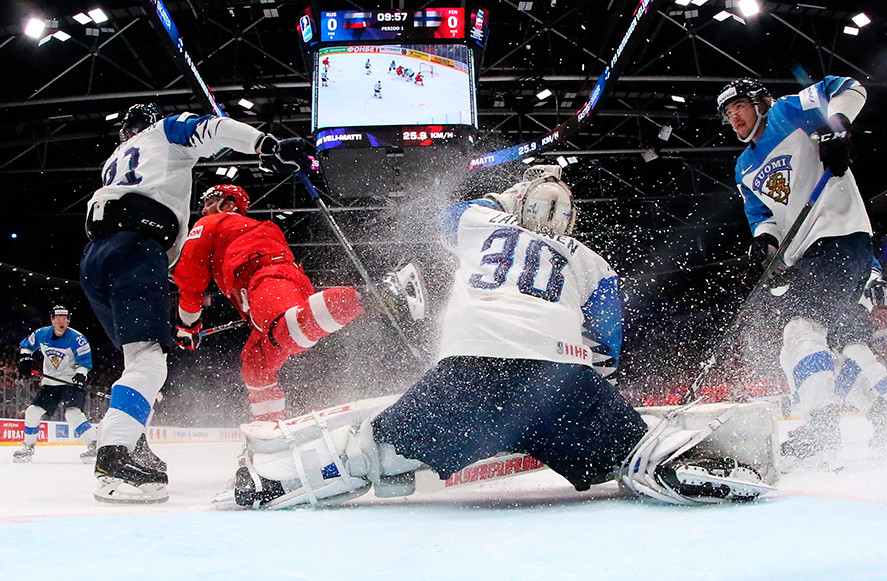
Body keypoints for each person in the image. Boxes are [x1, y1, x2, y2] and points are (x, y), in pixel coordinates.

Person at [223, 166, 772, 509]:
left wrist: (506, 200)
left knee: (377, 453)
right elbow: (607, 347)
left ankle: (274, 477)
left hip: (469, 372)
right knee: (629, 453)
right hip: (559, 379)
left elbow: (449, 214)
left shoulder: (482, 227)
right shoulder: (591, 260)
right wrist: (587, 400)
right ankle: (687, 459)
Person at [80, 103, 310, 503]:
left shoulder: (113, 160)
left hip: (94, 256)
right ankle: (114, 456)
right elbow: (212, 128)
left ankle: (128, 441)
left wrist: (188, 322)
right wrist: (266, 145)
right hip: (138, 249)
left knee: (139, 361)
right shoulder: (162, 132)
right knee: (149, 361)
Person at [717, 77, 887, 460]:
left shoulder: (787, 112)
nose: (734, 118)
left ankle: (821, 429)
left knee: (799, 332)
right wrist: (763, 243)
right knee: (839, 349)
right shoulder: (744, 167)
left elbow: (850, 87)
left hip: (837, 237)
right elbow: (763, 218)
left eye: (739, 107)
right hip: (809, 254)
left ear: (759, 103)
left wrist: (837, 130)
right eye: (728, 113)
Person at [171, 184, 364, 422]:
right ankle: (269, 428)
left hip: (265, 279)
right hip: (275, 283)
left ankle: (378, 297)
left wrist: (187, 326)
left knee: (286, 332)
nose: (203, 210)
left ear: (229, 205)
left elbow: (190, 279)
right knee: (255, 367)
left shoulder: (215, 222)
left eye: (210, 200)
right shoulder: (244, 230)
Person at [13, 305, 95, 463]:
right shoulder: (42, 334)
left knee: (72, 414)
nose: (61, 321)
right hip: (50, 383)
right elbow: (26, 346)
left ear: (68, 320)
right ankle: (28, 447)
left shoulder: (77, 338)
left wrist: (80, 375)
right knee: (32, 412)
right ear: (52, 319)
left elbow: (84, 362)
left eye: (64, 318)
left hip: (71, 383)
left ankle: (93, 445)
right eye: (58, 318)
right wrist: (25, 359)